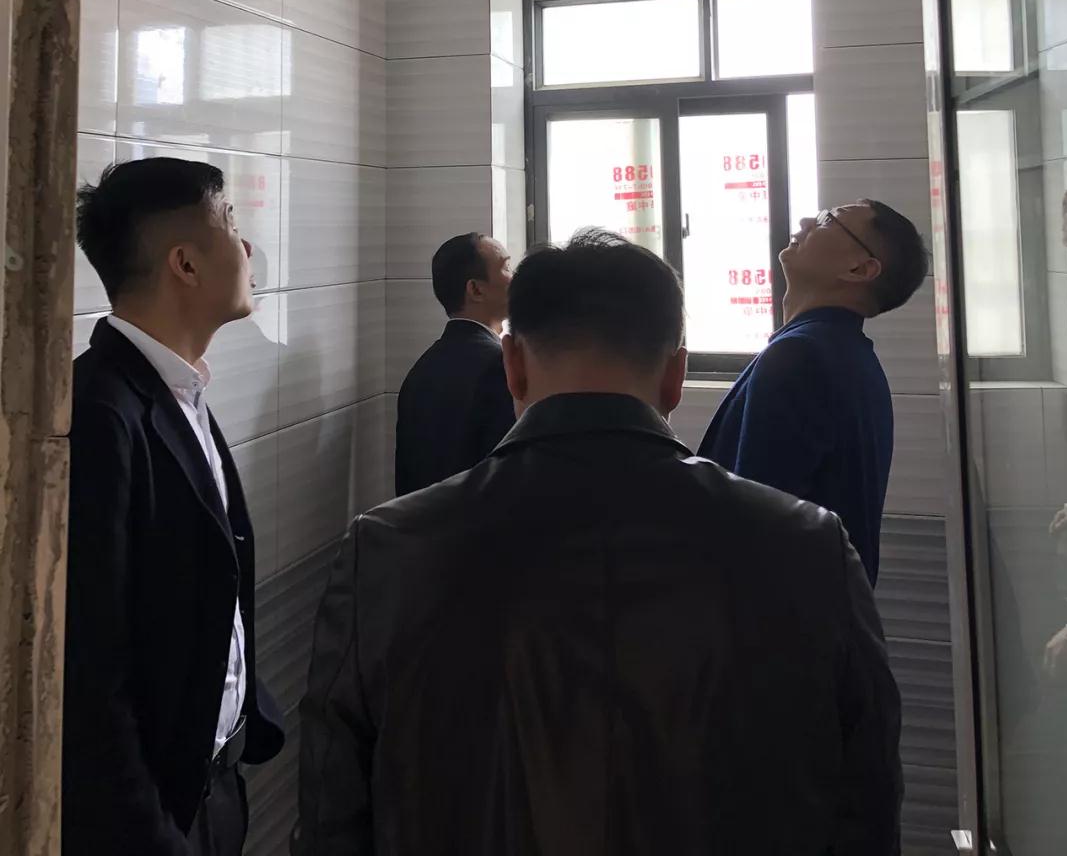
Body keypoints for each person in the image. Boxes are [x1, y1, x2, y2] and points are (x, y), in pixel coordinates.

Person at [294, 229, 903, 856]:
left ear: (512, 365)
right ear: (676, 375)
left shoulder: (389, 552)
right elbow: (867, 802)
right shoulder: (808, 547)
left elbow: (331, 819)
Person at [64, 158, 284, 856]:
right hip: (152, 817)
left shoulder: (177, 390)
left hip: (210, 782)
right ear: (184, 264)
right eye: (231, 223)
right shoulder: (98, 412)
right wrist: (149, 834)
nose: (246, 248)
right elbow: (86, 668)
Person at [699, 199, 929, 585]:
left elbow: (753, 521)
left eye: (829, 220)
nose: (807, 220)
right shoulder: (848, 356)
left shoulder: (801, 355)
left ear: (860, 269)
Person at [394, 232, 514, 496]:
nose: (515, 277)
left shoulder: (422, 369)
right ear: (476, 289)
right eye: (507, 267)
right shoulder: (499, 366)